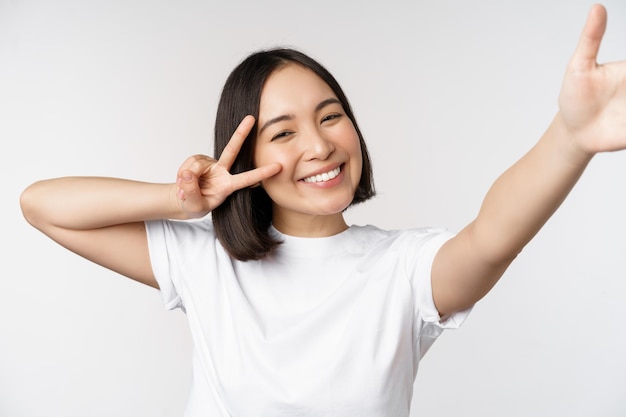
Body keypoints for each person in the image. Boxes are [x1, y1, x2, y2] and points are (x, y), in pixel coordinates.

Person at [19, 4, 625, 416]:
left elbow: (492, 238)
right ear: (244, 157)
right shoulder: (206, 261)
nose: (319, 145)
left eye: (331, 115)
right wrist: (181, 200)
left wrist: (569, 140)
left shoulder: (403, 270)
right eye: (282, 133)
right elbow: (43, 205)